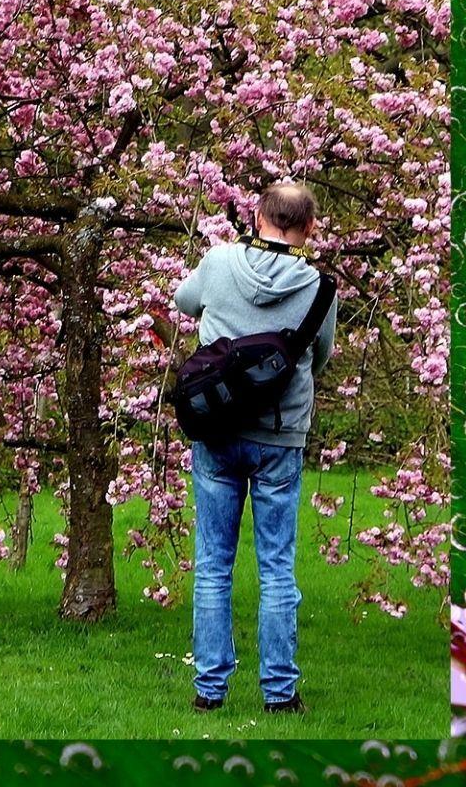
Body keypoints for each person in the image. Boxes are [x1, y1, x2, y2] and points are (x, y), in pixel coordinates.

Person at [173, 181, 337, 715]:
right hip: (280, 437)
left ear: (257, 214)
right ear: (308, 228)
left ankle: (210, 690)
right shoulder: (318, 287)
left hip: (217, 433)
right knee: (277, 567)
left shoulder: (219, 262)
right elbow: (321, 355)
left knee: (214, 563)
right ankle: (280, 694)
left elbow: (182, 301)